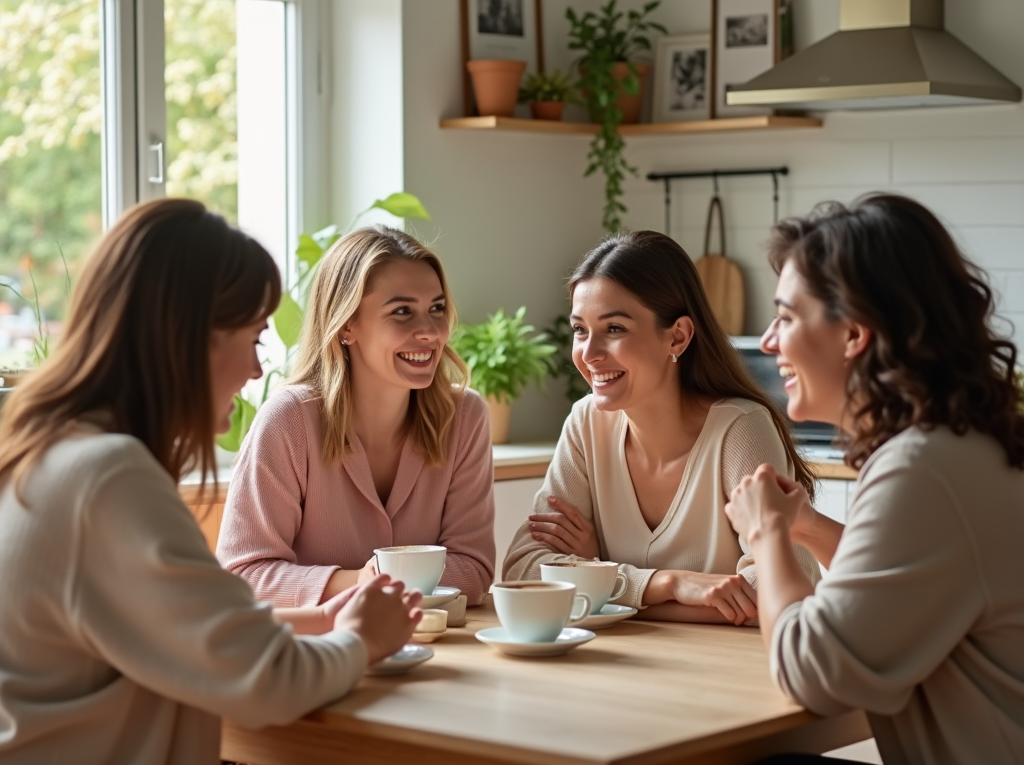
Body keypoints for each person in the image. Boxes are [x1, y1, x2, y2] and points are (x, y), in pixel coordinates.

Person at [0, 199, 423, 765]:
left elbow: (184, 625)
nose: (255, 370)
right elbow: (267, 683)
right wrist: (362, 641)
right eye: (251, 339)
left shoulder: (48, 455)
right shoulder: (106, 479)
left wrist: (322, 619)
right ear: (188, 338)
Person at [725, 194, 1024, 764]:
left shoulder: (923, 468)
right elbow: (894, 594)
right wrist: (807, 527)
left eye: (786, 317)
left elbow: (812, 671)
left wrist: (765, 537)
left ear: (853, 334)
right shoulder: (958, 447)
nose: (768, 342)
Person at [503, 230, 819, 625]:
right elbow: (523, 570)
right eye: (580, 330)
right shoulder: (586, 422)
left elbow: (782, 588)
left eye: (614, 329)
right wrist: (668, 584)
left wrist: (599, 573)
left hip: (725, 674)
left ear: (678, 336)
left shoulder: (739, 429)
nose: (589, 353)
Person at [217, 226, 495, 607]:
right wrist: (361, 582)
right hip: (316, 653)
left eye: (437, 308)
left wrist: (385, 579)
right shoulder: (288, 421)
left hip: (434, 649)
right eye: (402, 312)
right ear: (347, 325)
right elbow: (243, 576)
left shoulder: (465, 417)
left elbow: (475, 569)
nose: (430, 331)